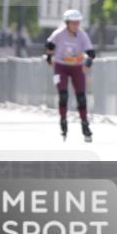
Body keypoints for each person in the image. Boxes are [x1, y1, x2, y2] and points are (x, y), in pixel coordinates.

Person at [44, 9, 96, 142]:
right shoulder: (59, 33)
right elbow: (49, 45)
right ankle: (63, 120)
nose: (76, 26)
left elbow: (91, 53)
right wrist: (49, 58)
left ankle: (85, 125)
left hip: (77, 68)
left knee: (81, 97)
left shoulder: (82, 35)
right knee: (63, 95)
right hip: (61, 67)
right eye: (73, 23)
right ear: (67, 23)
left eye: (77, 23)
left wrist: (87, 64)